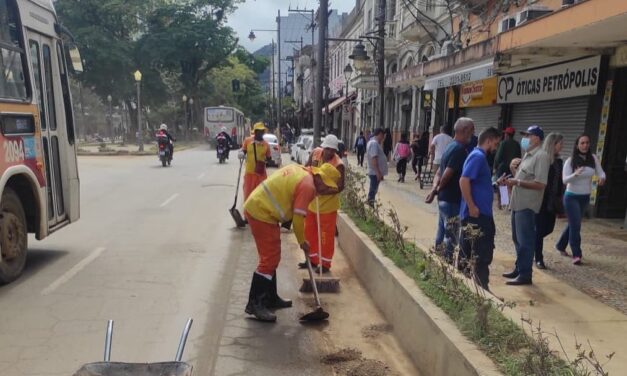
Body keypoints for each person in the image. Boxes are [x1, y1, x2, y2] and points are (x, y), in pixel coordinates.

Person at [243, 163, 341, 322]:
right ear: (320, 178)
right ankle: (255, 304)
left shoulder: (304, 173)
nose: (326, 191)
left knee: (272, 257)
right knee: (269, 260)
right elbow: (297, 220)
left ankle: (270, 298)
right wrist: (303, 242)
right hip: (260, 211)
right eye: (326, 186)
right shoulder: (308, 186)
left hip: (263, 209)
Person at [499, 125, 549, 286]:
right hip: (517, 203)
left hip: (527, 205)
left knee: (525, 240)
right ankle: (519, 268)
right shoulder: (527, 155)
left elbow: (540, 184)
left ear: (537, 138)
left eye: (529, 135)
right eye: (525, 135)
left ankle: (525, 274)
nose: (525, 138)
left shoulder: (541, 156)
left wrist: (517, 181)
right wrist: (512, 174)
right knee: (517, 239)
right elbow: (522, 179)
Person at [425, 118, 474, 262]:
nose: (473, 134)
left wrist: (435, 190)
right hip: (452, 199)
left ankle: (437, 259)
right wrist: (436, 190)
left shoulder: (450, 146)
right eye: (471, 130)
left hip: (443, 198)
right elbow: (446, 175)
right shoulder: (459, 149)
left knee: (442, 230)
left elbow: (439, 173)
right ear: (464, 131)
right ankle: (445, 264)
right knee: (450, 235)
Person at [459, 127, 502, 290]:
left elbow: (476, 183)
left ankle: (469, 287)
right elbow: (464, 181)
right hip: (476, 216)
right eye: (496, 143)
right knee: (480, 254)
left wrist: (494, 185)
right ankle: (481, 290)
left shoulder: (479, 157)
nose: (496, 148)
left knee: (472, 252)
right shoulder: (478, 157)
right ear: (489, 140)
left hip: (478, 214)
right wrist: (472, 206)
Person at [556, 134, 606, 265]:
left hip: (585, 197)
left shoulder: (593, 158)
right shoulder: (570, 160)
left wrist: (602, 177)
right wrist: (575, 174)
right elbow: (564, 180)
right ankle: (576, 254)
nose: (585, 145)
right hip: (571, 196)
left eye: (587, 143)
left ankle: (560, 245)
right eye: (582, 143)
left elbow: (600, 172)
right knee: (576, 225)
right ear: (577, 145)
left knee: (574, 223)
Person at [300, 135, 345, 272]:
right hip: (312, 204)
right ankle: (312, 261)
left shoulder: (338, 164)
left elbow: (341, 186)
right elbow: (306, 168)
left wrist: (323, 190)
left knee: (325, 237)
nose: (330, 152)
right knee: (309, 233)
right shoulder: (315, 153)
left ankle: (325, 264)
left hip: (327, 208)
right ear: (323, 147)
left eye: (333, 150)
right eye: (328, 149)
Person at [534, 133, 564, 269]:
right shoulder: (543, 160)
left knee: (548, 228)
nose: (561, 146)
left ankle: (533, 242)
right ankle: (538, 257)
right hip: (541, 200)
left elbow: (559, 181)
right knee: (540, 230)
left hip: (553, 201)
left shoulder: (559, 161)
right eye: (560, 144)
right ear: (553, 144)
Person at [239, 122, 271, 201]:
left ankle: (258, 212)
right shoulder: (248, 141)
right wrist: (241, 153)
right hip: (249, 173)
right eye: (259, 131)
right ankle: (247, 213)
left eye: (262, 131)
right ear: (255, 132)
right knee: (248, 195)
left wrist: (265, 161)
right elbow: (243, 150)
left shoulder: (266, 144)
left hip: (261, 174)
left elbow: (269, 157)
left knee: (261, 196)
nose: (261, 133)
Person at [366, 128, 388, 206]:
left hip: (375, 172)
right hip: (374, 172)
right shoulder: (374, 144)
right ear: (379, 134)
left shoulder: (374, 143)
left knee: (374, 190)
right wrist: (378, 172)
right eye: (382, 135)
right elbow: (374, 158)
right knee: (373, 190)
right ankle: (370, 204)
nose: (383, 138)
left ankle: (371, 203)